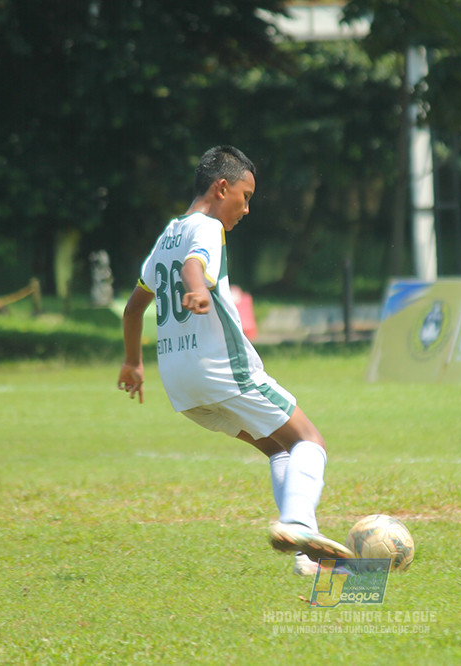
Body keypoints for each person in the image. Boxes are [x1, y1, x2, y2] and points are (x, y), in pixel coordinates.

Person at [118, 145, 352, 574]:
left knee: (278, 448)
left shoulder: (168, 234)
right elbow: (193, 267)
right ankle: (298, 524)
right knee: (310, 442)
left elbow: (133, 309)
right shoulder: (208, 228)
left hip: (180, 384)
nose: (246, 209)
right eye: (245, 197)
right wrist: (197, 289)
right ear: (221, 187)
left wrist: (133, 362)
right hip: (221, 369)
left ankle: (306, 557)